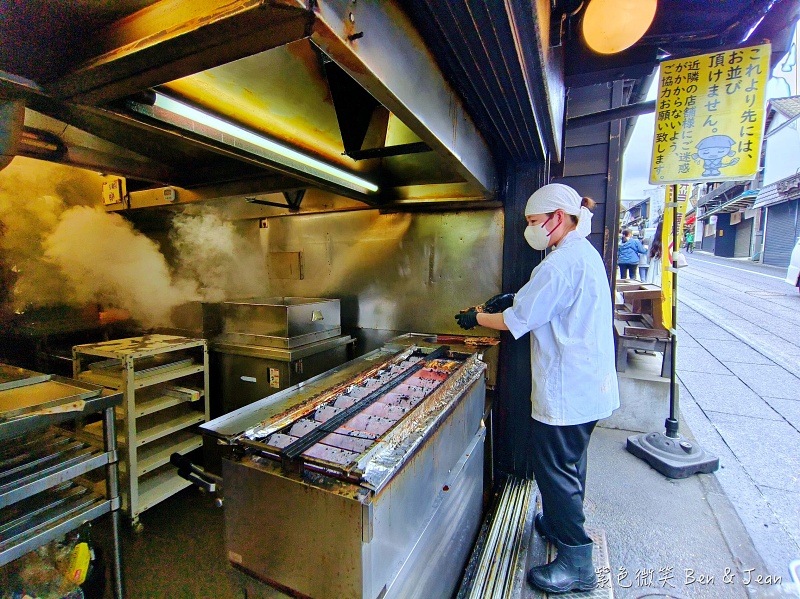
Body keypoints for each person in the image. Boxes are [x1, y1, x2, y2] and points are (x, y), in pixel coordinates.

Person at [454, 183, 620, 594]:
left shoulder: (559, 264)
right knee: (570, 463)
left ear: (558, 218)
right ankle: (564, 521)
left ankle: (577, 561)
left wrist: (476, 317)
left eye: (533, 222)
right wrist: (518, 297)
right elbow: (546, 302)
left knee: (555, 470)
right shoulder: (582, 253)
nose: (530, 230)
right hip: (589, 388)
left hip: (568, 389)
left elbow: (514, 322)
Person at [645, 219, 663, 285]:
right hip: (664, 262)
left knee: (653, 281)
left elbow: (649, 251)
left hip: (654, 260)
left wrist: (648, 261)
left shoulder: (653, 237)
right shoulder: (668, 237)